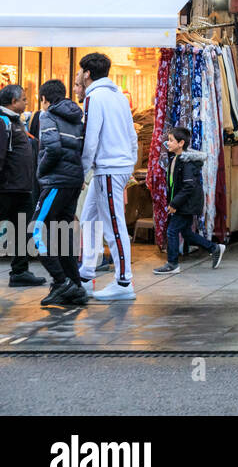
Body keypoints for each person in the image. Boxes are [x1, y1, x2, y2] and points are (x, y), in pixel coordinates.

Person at [77, 52, 139, 301]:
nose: (79, 77)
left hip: (108, 168)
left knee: (114, 225)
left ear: (88, 73)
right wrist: (131, 160)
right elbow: (132, 133)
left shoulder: (94, 97)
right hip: (116, 166)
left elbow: (90, 138)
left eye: (81, 72)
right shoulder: (118, 96)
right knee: (89, 219)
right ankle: (85, 275)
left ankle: (124, 282)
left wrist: (82, 170)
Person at [33, 80, 87, 307]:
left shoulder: (47, 116)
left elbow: (53, 149)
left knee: (34, 232)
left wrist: (40, 171)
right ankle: (75, 287)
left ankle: (61, 281)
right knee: (62, 233)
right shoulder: (76, 116)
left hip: (56, 182)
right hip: (73, 181)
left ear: (44, 99)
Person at [152, 127, 225, 275]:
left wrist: (174, 204)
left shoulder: (187, 163)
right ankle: (214, 248)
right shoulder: (175, 159)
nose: (168, 143)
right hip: (183, 203)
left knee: (172, 231)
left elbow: (188, 186)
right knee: (186, 232)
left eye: (171, 140)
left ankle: (172, 264)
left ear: (181, 143)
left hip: (187, 204)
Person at [0, 84, 44, 288]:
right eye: (24, 99)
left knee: (23, 231)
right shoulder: (4, 122)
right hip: (7, 189)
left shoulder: (16, 121)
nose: (26, 102)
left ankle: (20, 272)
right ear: (13, 102)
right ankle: (19, 271)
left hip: (21, 188)